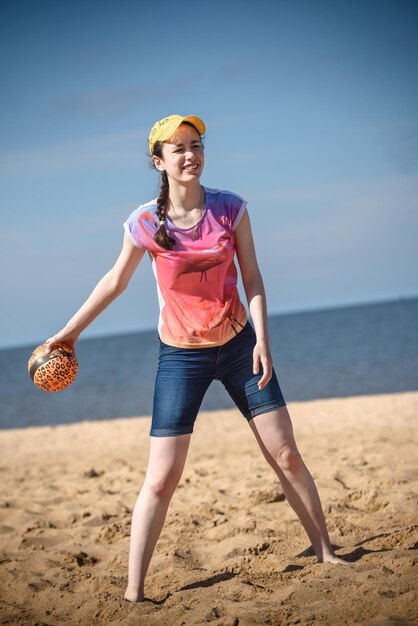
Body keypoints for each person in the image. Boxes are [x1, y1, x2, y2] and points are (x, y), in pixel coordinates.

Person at [45, 113, 347, 603]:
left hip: (239, 349)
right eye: (178, 148)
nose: (190, 155)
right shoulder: (144, 222)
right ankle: (134, 591)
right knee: (162, 477)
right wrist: (68, 334)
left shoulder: (231, 208)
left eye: (196, 144)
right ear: (158, 161)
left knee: (286, 454)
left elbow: (253, 277)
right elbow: (114, 282)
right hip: (180, 358)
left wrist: (263, 341)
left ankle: (326, 552)